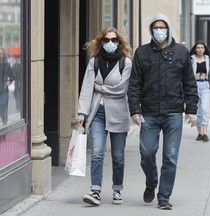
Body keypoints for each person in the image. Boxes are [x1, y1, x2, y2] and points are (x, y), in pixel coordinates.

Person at [128, 13, 198, 210]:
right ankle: (151, 182)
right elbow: (134, 84)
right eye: (156, 28)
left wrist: (191, 110)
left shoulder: (181, 52)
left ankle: (164, 196)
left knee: (170, 156)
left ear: (168, 29)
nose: (159, 31)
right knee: (147, 153)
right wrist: (135, 110)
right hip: (148, 113)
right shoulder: (142, 53)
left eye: (162, 27)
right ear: (151, 30)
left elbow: (189, 84)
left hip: (173, 113)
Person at [76, 27, 132, 206]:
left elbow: (121, 89)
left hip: (119, 113)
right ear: (101, 42)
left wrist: (99, 88)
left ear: (119, 43)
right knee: (97, 153)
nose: (110, 43)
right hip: (98, 113)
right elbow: (86, 87)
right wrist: (81, 113)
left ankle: (117, 189)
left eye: (114, 40)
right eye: (106, 40)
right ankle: (95, 191)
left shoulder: (126, 63)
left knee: (118, 155)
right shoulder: (94, 62)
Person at [190, 41, 210, 142]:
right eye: (198, 47)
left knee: (204, 110)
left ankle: (205, 133)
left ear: (204, 49)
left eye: (202, 47)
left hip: (205, 85)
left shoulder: (208, 60)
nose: (200, 49)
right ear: (195, 49)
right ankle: (199, 133)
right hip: (194, 86)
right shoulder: (191, 59)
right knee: (197, 111)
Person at [0, 47, 13, 126]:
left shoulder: (6, 64)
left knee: (3, 106)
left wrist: (9, 81)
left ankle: (4, 122)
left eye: (1, 54)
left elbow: (11, 76)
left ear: (4, 55)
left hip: (4, 88)